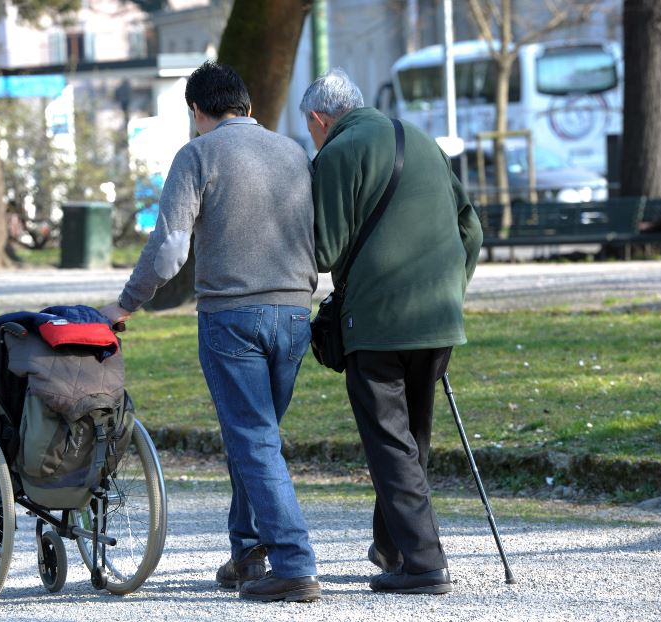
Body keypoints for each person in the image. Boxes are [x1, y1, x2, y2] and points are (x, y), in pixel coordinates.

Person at [100, 61, 321, 603]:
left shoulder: (197, 154)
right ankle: (247, 552)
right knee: (256, 438)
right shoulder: (294, 151)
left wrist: (126, 303)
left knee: (253, 440)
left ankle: (293, 563)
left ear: (197, 110)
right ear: (245, 104)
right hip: (295, 313)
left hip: (232, 317)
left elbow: (173, 248)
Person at [300, 69, 483, 595]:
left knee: (389, 442)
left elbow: (325, 251)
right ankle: (393, 547)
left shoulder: (337, 153)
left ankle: (424, 564)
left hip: (378, 323)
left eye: (311, 130)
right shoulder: (421, 139)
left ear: (319, 119)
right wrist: (450, 288)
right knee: (412, 440)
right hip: (439, 318)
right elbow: (470, 229)